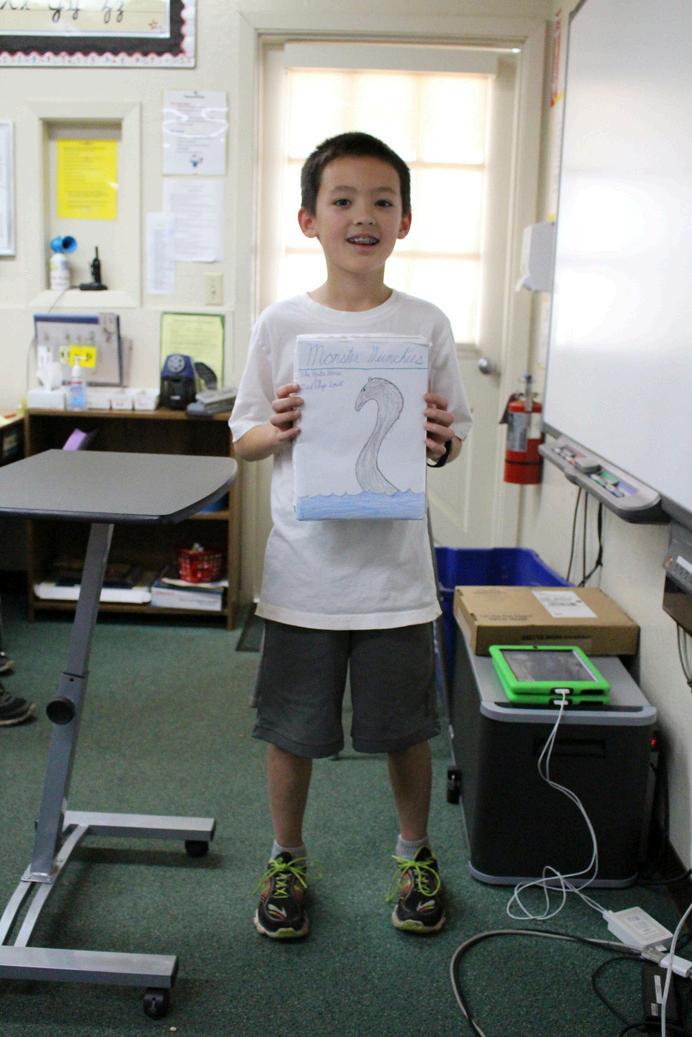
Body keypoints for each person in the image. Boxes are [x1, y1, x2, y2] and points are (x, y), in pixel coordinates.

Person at [230, 132, 472, 940]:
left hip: (394, 579)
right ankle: (286, 856)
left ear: (404, 221)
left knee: (407, 730)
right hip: (304, 574)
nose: (363, 215)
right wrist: (277, 428)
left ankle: (414, 853)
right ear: (309, 219)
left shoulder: (426, 324)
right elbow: (243, 438)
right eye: (343, 200)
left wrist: (438, 437)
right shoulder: (281, 324)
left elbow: (452, 438)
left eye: (382, 201)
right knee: (291, 730)